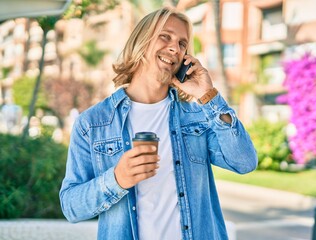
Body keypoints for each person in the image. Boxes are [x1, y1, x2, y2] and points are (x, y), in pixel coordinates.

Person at [59, 6, 257, 240]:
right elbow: (71, 206)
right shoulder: (92, 123)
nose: (175, 48)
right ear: (141, 42)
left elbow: (244, 161)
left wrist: (209, 96)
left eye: (183, 43)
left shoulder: (198, 117)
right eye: (165, 36)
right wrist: (116, 179)